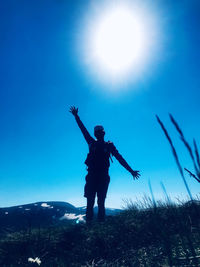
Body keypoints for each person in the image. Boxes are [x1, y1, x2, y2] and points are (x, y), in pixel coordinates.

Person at [69, 106, 140, 223]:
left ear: (101, 133)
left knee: (94, 201)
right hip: (98, 176)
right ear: (101, 133)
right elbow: (120, 159)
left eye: (100, 132)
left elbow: (120, 158)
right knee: (96, 201)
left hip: (95, 176)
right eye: (99, 132)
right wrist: (77, 117)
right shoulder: (104, 145)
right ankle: (97, 225)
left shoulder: (97, 144)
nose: (99, 134)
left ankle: (92, 226)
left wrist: (131, 171)